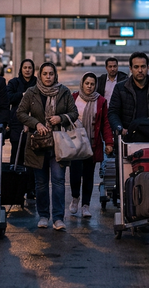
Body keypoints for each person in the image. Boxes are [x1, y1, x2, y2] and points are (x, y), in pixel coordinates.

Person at [16, 62, 78, 231]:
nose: (48, 77)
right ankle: (43, 215)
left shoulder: (64, 91)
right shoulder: (31, 92)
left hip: (59, 143)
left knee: (58, 182)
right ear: (40, 75)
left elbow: (74, 113)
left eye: (51, 74)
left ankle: (58, 218)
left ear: (55, 75)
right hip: (38, 144)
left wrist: (61, 118)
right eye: (45, 74)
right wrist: (36, 124)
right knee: (41, 183)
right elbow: (20, 113)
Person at [69, 72, 114, 218]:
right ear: (82, 83)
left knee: (88, 176)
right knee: (75, 175)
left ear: (96, 85)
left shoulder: (100, 101)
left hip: (92, 144)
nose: (89, 86)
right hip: (75, 144)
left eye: (92, 84)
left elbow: (105, 124)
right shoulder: (74, 98)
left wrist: (109, 142)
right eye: (87, 83)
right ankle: (75, 198)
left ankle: (85, 205)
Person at [108, 52, 149, 136]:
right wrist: (119, 128)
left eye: (143, 67)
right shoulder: (120, 88)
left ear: (148, 68)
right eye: (136, 67)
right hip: (129, 136)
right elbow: (113, 112)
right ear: (131, 69)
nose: (140, 70)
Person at [6, 58, 37, 200]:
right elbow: (8, 98)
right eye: (25, 67)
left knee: (32, 157)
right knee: (16, 155)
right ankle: (15, 190)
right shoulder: (14, 82)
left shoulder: (38, 82)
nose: (27, 70)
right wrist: (23, 95)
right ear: (21, 69)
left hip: (34, 123)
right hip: (17, 124)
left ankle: (31, 189)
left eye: (30, 67)